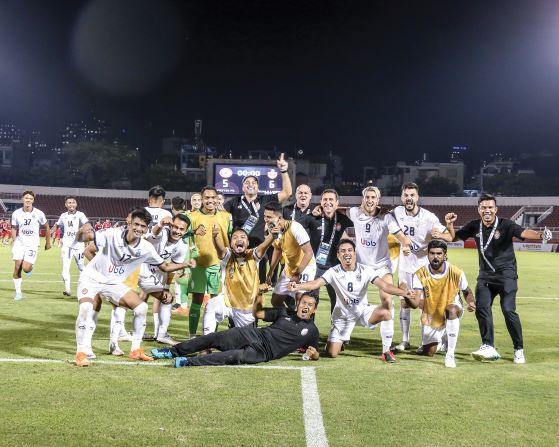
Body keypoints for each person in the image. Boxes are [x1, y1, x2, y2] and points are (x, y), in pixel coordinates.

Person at [73, 208, 192, 367]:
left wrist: (185, 264)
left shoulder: (146, 247)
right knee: (86, 307)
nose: (138, 229)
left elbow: (164, 266)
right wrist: (81, 233)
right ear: (130, 224)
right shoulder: (112, 234)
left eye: (143, 226)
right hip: (91, 279)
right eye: (136, 224)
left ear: (146, 228)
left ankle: (135, 350)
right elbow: (85, 239)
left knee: (142, 307)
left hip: (113, 283)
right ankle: (81, 352)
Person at [446, 193, 551, 364]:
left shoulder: (506, 224)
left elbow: (524, 232)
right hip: (485, 277)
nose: (487, 210)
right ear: (479, 209)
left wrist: (541, 236)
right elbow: (453, 238)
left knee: (508, 310)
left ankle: (518, 349)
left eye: (490, 207)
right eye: (484, 207)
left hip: (506, 276)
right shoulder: (474, 226)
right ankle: (488, 346)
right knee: (482, 308)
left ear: (496, 209)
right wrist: (449, 224)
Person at [289, 239, 414, 360]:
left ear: (355, 253)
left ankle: (386, 352)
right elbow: (315, 284)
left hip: (362, 311)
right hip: (343, 317)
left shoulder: (366, 270)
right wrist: (298, 286)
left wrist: (404, 292)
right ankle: (336, 341)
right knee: (332, 353)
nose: (347, 253)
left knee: (386, 312)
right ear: (338, 255)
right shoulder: (333, 272)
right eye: (343, 251)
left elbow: (385, 286)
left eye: (349, 250)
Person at [150, 293, 320, 367]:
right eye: (303, 303)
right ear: (298, 304)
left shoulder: (312, 331)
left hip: (264, 352)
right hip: (253, 333)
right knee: (215, 337)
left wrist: (313, 355)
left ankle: (188, 362)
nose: (305, 306)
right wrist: (258, 298)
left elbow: (316, 353)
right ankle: (172, 352)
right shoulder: (284, 312)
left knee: (233, 357)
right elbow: (258, 314)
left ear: (314, 310)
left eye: (310, 305)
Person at [340, 186, 411, 362]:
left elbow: (400, 235)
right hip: (361, 267)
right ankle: (341, 337)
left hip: (381, 267)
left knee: (388, 302)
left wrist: (406, 244)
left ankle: (386, 350)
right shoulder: (354, 212)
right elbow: (339, 210)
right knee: (349, 302)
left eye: (373, 197)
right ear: (363, 199)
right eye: (367, 197)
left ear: (378, 200)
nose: (370, 200)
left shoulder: (386, 217)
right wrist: (322, 208)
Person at [391, 182, 452, 353]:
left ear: (417, 197)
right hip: (405, 267)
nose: (409, 198)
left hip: (423, 269)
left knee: (426, 305)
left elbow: (449, 236)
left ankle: (433, 340)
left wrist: (440, 235)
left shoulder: (429, 217)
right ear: (402, 197)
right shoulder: (397, 212)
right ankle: (405, 340)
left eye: (412, 195)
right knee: (404, 302)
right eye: (406, 195)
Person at [403, 240, 475, 368]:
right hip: (432, 313)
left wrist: (471, 302)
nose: (435, 257)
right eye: (432, 253)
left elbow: (466, 290)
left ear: (445, 256)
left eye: (439, 254)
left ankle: (450, 355)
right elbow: (415, 304)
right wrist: (406, 295)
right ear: (428, 255)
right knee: (429, 352)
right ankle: (442, 338)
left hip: (452, 306)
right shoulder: (420, 274)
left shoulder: (456, 272)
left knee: (452, 310)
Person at [223, 153, 292, 281]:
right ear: (243, 187)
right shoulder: (234, 202)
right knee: (237, 284)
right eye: (247, 182)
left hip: (259, 251)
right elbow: (219, 214)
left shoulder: (265, 199)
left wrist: (284, 171)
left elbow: (287, 193)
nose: (251, 184)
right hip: (239, 250)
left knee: (258, 286)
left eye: (254, 182)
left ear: (258, 186)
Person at [202, 225, 278, 335]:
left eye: (243, 237)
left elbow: (264, 245)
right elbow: (220, 249)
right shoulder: (227, 256)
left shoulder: (253, 255)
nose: (239, 239)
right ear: (230, 244)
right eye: (235, 237)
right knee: (211, 304)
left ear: (247, 243)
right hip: (227, 302)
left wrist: (273, 235)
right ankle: (207, 341)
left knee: (247, 342)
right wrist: (215, 237)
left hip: (246, 308)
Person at [135, 214, 195, 348]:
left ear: (186, 231)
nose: (177, 231)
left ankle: (141, 333)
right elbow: (154, 233)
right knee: (162, 299)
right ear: (171, 226)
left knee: (155, 299)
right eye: (175, 227)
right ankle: (160, 334)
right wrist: (161, 224)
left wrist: (167, 287)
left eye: (181, 229)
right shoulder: (162, 233)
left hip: (158, 272)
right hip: (142, 268)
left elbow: (172, 268)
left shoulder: (182, 246)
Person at [186, 186, 232, 338]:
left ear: (217, 199)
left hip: (218, 265)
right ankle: (192, 337)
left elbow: (231, 237)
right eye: (207, 198)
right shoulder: (191, 217)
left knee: (215, 303)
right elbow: (180, 234)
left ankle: (211, 337)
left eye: (213, 197)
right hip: (198, 264)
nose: (210, 200)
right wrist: (193, 231)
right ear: (202, 199)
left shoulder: (226, 216)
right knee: (197, 301)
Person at [264, 201, 316, 310]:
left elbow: (309, 253)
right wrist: (271, 272)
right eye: (265, 216)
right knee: (275, 301)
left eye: (269, 217)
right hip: (290, 267)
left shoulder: (295, 227)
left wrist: (297, 274)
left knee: (301, 301)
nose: (266, 220)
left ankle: (300, 319)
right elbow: (277, 249)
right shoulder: (270, 229)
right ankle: (288, 317)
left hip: (305, 266)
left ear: (279, 218)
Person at [309, 189, 353, 313]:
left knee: (337, 301)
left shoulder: (343, 219)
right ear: (320, 202)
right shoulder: (313, 217)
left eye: (331, 199)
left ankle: (336, 325)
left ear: (337, 202)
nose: (328, 202)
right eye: (325, 199)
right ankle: (308, 324)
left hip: (334, 267)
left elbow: (362, 216)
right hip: (314, 267)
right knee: (310, 299)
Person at [11, 190, 51, 301]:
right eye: (26, 198)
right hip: (20, 242)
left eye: (30, 198)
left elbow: (46, 226)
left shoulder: (39, 213)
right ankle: (18, 293)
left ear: (33, 200)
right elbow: (14, 227)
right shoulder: (16, 213)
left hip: (32, 243)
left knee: (25, 268)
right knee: (17, 267)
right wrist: (14, 240)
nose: (28, 200)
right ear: (22, 199)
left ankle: (29, 269)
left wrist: (48, 242)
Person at [50, 196, 89, 296]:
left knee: (81, 266)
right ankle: (67, 289)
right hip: (66, 246)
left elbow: (87, 225)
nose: (71, 204)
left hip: (78, 245)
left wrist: (85, 231)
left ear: (76, 204)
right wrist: (49, 233)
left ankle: (87, 286)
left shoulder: (80, 215)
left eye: (73, 202)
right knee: (65, 267)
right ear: (66, 205)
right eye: (69, 203)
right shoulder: (63, 216)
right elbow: (56, 225)